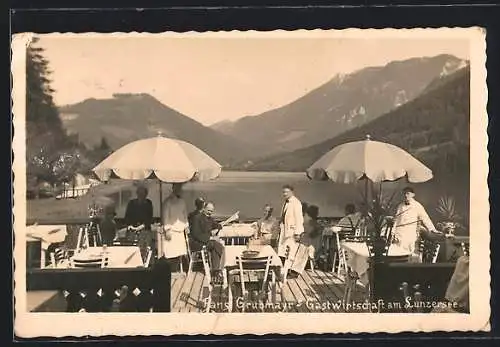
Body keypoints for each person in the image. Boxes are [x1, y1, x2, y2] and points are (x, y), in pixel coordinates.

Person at [393, 187, 441, 255]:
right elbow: (396, 220)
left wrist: (432, 229)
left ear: (413, 195)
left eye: (408, 193)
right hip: (399, 233)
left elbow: (425, 218)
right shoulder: (400, 206)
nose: (406, 195)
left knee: (409, 253)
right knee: (398, 253)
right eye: (404, 193)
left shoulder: (417, 205)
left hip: (410, 233)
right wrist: (393, 232)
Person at [189, 202, 224, 271]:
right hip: (197, 243)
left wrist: (220, 226)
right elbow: (195, 234)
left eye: (211, 211)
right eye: (208, 210)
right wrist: (210, 237)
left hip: (205, 241)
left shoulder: (210, 218)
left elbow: (216, 225)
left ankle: (215, 269)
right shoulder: (197, 218)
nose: (210, 212)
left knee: (217, 245)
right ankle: (216, 270)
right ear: (204, 208)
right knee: (216, 245)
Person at [158, 183, 189, 264]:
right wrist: (167, 229)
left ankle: (180, 269)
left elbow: (184, 215)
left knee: (180, 253)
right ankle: (170, 270)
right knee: (170, 253)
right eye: (177, 188)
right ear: (173, 188)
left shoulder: (182, 201)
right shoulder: (167, 202)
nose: (179, 190)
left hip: (180, 231)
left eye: (180, 188)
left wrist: (186, 226)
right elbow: (165, 216)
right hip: (172, 231)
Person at [124, 185, 154, 258]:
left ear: (146, 194)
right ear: (137, 193)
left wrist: (140, 227)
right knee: (132, 250)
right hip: (133, 230)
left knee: (144, 250)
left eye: (143, 194)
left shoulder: (148, 203)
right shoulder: (131, 203)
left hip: (144, 230)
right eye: (139, 193)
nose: (141, 195)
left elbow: (149, 219)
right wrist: (130, 226)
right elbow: (127, 217)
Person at [277, 184, 304, 260]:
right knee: (283, 252)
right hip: (284, 231)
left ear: (292, 192)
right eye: (283, 192)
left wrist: (298, 233)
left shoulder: (296, 203)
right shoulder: (285, 203)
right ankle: (284, 270)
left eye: (286, 192)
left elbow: (299, 219)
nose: (284, 194)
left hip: (292, 232)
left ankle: (289, 270)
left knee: (290, 252)